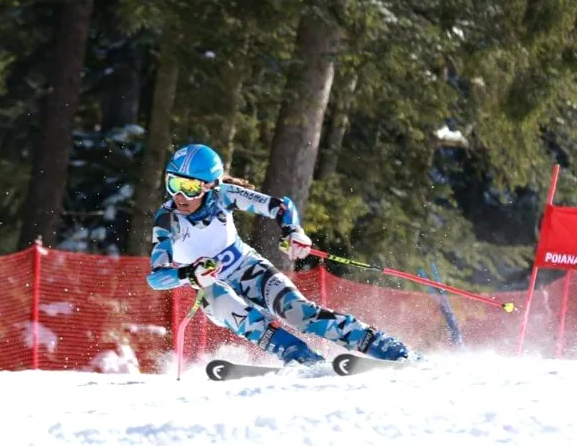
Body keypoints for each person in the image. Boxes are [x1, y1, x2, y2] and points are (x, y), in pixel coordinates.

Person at [146, 143, 411, 366]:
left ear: (210, 187)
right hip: (211, 286)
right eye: (173, 183)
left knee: (298, 313)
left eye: (190, 187)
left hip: (248, 268)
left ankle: (383, 346)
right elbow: (156, 278)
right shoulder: (168, 219)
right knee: (231, 308)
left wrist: (293, 231)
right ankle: (301, 358)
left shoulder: (224, 196)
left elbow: (280, 207)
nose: (179, 195)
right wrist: (189, 274)